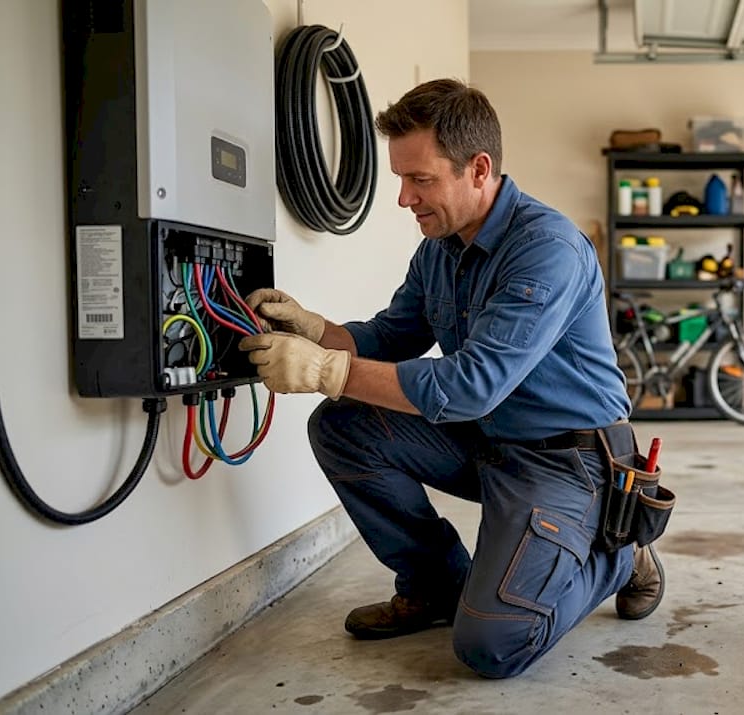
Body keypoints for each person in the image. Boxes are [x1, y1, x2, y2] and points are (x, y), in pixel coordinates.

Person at [238, 78, 665, 679]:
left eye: (421, 179)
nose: (404, 198)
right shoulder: (439, 247)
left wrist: (326, 370)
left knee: (493, 647)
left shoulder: (548, 249)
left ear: (479, 169)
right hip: (489, 440)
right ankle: (437, 588)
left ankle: (619, 556)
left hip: (571, 463)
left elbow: (470, 385)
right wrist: (317, 331)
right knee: (344, 425)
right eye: (401, 179)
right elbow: (392, 337)